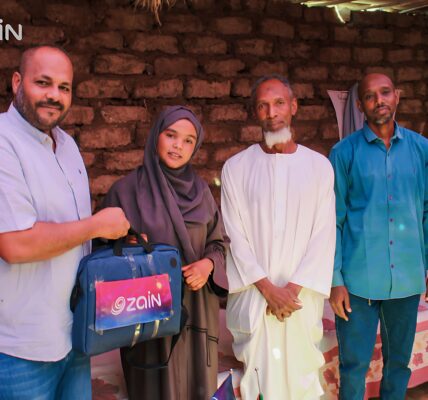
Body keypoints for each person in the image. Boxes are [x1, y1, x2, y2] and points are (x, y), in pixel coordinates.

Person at [0, 45, 130, 400]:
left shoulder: (67, 144)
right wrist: (97, 225)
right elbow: (14, 244)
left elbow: (70, 232)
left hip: (74, 333)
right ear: (17, 82)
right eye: (43, 83)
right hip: (20, 347)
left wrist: (114, 237)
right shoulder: (4, 142)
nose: (54, 96)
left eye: (64, 87)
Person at [221, 74, 336, 399]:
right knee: (259, 381)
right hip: (255, 298)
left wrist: (290, 292)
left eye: (279, 103)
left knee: (301, 378)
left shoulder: (319, 167)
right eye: (263, 105)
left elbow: (323, 236)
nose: (271, 112)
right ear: (255, 112)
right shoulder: (236, 168)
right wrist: (269, 290)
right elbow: (234, 236)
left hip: (300, 301)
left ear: (294, 106)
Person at [103, 106, 228, 400]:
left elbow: (218, 242)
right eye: (171, 135)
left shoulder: (201, 192)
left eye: (188, 140)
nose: (178, 146)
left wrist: (208, 265)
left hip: (196, 312)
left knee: (197, 384)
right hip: (148, 315)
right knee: (153, 387)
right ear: (156, 136)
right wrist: (130, 247)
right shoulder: (125, 192)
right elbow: (101, 251)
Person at [329, 73, 428, 399]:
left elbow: (427, 211)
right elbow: (334, 220)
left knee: (399, 364)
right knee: (353, 366)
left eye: (385, 92)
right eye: (370, 96)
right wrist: (335, 280)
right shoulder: (343, 153)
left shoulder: (422, 150)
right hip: (358, 282)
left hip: (407, 279)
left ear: (397, 95)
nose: (379, 101)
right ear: (360, 105)